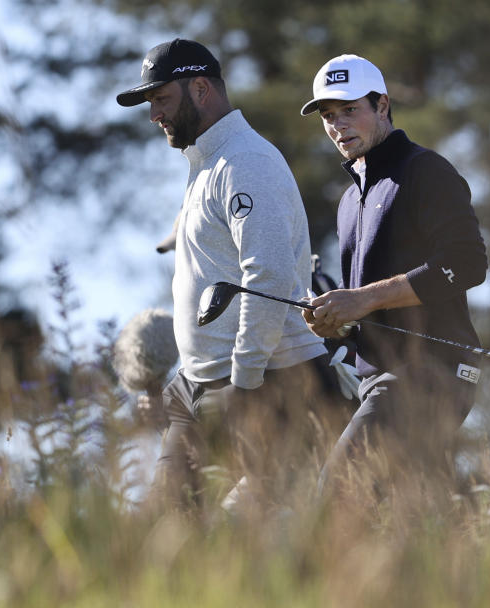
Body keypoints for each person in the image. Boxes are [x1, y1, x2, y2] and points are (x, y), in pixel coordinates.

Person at [116, 38, 330, 512]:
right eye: (150, 103)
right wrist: (178, 388)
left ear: (200, 89)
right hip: (209, 384)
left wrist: (246, 379)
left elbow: (268, 275)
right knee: (160, 536)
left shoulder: (244, 162)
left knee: (223, 541)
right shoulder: (207, 163)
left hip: (267, 382)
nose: (154, 115)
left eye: (162, 99)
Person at [299, 54, 488, 493]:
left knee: (335, 497)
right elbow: (367, 308)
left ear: (382, 105)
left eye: (350, 110)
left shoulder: (426, 171)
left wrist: (364, 298)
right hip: (375, 380)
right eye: (328, 116)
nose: (338, 125)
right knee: (410, 526)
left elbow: (467, 263)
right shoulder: (350, 199)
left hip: (432, 374)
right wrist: (336, 319)